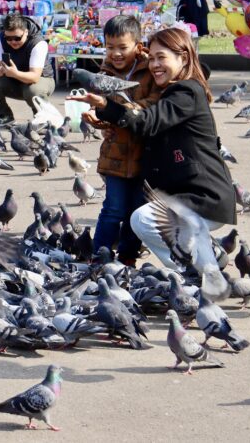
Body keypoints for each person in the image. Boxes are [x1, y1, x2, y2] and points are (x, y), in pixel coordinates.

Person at [75, 27, 235, 297]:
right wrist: (107, 121)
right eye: (152, 58)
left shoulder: (186, 92)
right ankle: (209, 272)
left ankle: (191, 271)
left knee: (144, 219)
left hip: (203, 195)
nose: (155, 65)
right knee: (152, 219)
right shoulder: (176, 91)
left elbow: (149, 123)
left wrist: (106, 104)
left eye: (162, 58)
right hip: (187, 195)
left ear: (183, 58)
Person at [85, 15, 158, 266]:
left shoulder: (150, 69)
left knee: (136, 211)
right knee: (113, 208)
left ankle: (128, 257)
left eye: (122, 47)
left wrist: (130, 109)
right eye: (109, 47)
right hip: (114, 155)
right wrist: (97, 121)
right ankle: (100, 256)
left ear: (138, 46)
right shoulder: (104, 73)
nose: (115, 53)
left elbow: (155, 102)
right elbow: (104, 112)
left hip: (143, 153)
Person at [0, 14, 54, 126]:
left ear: (25, 32)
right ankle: (5, 116)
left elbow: (34, 77)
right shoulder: (0, 38)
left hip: (40, 80)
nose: (13, 41)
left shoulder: (38, 43)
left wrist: (15, 73)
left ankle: (42, 118)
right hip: (14, 79)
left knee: (33, 90)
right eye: (8, 38)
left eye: (17, 38)